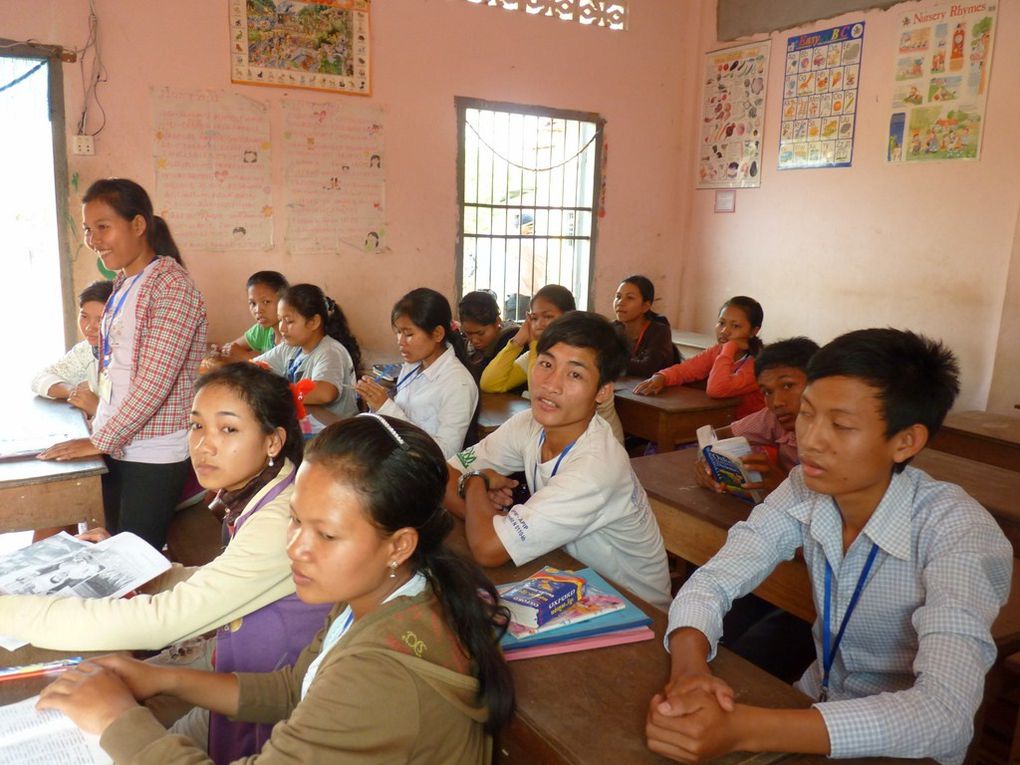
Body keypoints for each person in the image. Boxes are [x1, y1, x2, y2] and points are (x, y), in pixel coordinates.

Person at [38, 415, 516, 765]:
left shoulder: (381, 673)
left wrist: (116, 719)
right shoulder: (386, 592)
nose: (296, 547)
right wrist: (165, 679)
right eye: (294, 520)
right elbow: (296, 688)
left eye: (326, 535)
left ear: (399, 544)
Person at [646, 329, 1012, 765]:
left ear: (906, 441)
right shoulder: (806, 488)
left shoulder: (958, 532)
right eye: (807, 414)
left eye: (840, 425)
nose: (812, 439)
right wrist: (690, 673)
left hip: (903, 748)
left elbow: (943, 714)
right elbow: (715, 579)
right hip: (812, 704)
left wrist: (744, 727)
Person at [2, 363, 330, 759]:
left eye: (228, 429)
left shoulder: (282, 519)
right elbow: (226, 580)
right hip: (241, 661)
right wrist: (131, 567)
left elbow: (161, 623)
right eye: (196, 426)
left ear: (274, 441)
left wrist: (8, 611)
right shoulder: (264, 492)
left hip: (262, 690)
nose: (203, 445)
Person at [444, 311, 671, 611]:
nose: (551, 384)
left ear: (603, 391)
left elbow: (486, 549)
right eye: (547, 364)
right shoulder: (529, 424)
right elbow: (445, 474)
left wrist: (474, 483)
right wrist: (485, 518)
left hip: (634, 609)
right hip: (570, 576)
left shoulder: (595, 467)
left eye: (574, 374)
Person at [38, 178, 208, 551]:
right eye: (87, 229)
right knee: (112, 542)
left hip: (153, 450)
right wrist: (103, 432)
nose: (93, 239)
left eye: (103, 227)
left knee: (135, 557)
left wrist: (99, 440)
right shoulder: (124, 282)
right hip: (119, 440)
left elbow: (154, 384)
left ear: (138, 225)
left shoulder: (171, 287)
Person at [481, 284, 625, 443]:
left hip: (598, 446)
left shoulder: (587, 359)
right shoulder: (535, 355)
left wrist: (535, 343)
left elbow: (538, 388)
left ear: (569, 317)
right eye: (534, 318)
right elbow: (490, 383)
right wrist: (518, 340)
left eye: (548, 317)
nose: (540, 324)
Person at [356, 287, 478, 458]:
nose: (400, 342)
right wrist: (375, 400)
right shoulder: (412, 366)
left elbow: (445, 453)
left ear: (437, 334)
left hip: (423, 474)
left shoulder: (458, 383)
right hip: (399, 457)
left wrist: (385, 406)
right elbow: (403, 414)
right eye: (398, 332)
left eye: (408, 334)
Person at [695, 337, 818, 497]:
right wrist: (706, 463)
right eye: (767, 392)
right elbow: (718, 435)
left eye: (788, 385)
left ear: (818, 383)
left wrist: (784, 487)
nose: (776, 402)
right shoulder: (773, 419)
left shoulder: (841, 437)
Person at [634, 295, 765, 420]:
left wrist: (728, 348)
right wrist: (662, 377)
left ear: (754, 331)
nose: (724, 331)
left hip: (751, 434)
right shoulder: (716, 351)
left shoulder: (758, 364)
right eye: (721, 323)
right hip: (722, 422)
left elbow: (717, 389)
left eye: (735, 326)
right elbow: (686, 369)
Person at [254, 284, 360, 419]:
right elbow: (254, 367)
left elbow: (325, 393)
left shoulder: (330, 351)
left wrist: (276, 392)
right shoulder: (290, 347)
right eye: (280, 320)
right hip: (309, 424)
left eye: (289, 321)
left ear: (313, 322)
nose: (282, 328)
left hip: (337, 432)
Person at [31, 279, 114, 418]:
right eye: (84, 316)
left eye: (100, 320)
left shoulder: (130, 356)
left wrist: (96, 408)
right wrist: (74, 392)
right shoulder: (86, 351)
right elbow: (39, 379)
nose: (89, 327)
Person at [612, 275, 678, 378]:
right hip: (625, 388)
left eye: (630, 298)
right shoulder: (613, 328)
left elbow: (648, 368)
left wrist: (611, 361)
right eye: (618, 297)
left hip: (655, 391)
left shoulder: (659, 331)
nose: (620, 303)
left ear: (645, 306)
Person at [219, 271, 289, 361]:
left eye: (266, 301)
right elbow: (233, 348)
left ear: (284, 301)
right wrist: (223, 351)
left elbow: (284, 371)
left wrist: (246, 356)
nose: (258, 310)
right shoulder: (262, 330)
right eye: (253, 303)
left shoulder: (294, 336)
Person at [458, 290, 518, 384]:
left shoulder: (511, 340)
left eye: (480, 333)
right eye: (468, 333)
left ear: (497, 322)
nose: (474, 340)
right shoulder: (466, 346)